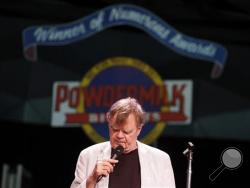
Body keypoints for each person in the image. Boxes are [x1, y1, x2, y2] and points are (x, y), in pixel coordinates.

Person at [70, 97, 176, 188]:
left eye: (126, 132)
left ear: (139, 129)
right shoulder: (88, 155)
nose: (119, 136)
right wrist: (91, 180)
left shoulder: (161, 160)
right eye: (115, 129)